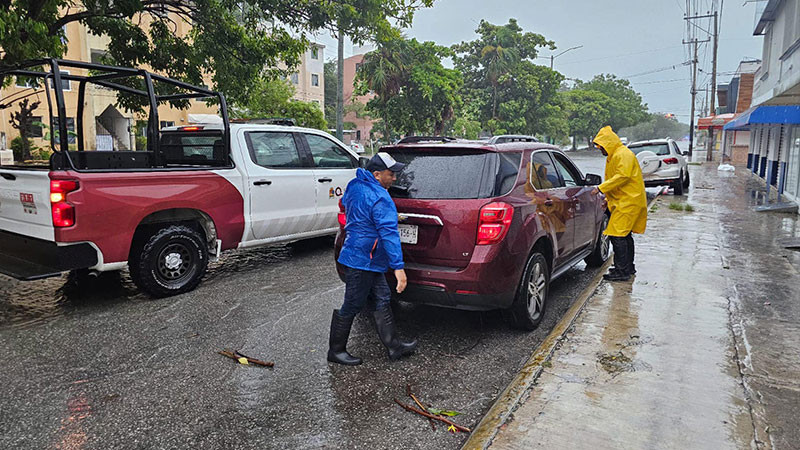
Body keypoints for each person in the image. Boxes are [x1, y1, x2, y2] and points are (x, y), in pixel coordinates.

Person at [327, 152, 417, 365]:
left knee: (382, 298)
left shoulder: (355, 185)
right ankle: (336, 351)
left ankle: (394, 346)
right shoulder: (380, 197)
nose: (395, 178)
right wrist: (398, 268)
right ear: (377, 174)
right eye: (391, 174)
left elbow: (346, 204)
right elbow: (389, 233)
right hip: (363, 259)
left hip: (360, 254)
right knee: (352, 304)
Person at [591, 126, 647, 282]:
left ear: (607, 143)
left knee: (617, 236)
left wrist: (600, 188)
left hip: (628, 202)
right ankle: (627, 267)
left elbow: (622, 177)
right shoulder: (615, 155)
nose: (599, 149)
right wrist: (607, 200)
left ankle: (622, 271)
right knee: (625, 235)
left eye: (600, 146)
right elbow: (616, 180)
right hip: (624, 201)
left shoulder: (622, 155)